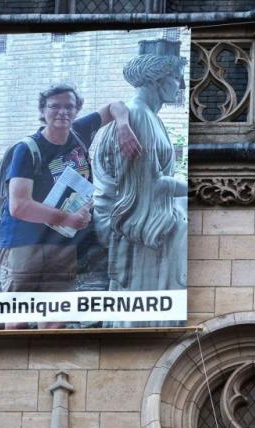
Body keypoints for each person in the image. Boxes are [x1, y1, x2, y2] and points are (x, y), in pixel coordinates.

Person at [0, 83, 141, 329]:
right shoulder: (27, 149)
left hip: (62, 244)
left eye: (69, 106)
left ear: (77, 111)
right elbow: (19, 206)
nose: (62, 112)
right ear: (43, 111)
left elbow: (115, 106)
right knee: (17, 321)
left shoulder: (80, 132)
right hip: (24, 244)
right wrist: (67, 218)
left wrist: (123, 126)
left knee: (54, 321)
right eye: (54, 106)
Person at [91, 39, 188, 297]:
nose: (182, 86)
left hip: (143, 210)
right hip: (131, 222)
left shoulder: (148, 116)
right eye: (177, 77)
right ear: (158, 78)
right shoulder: (138, 116)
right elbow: (145, 189)